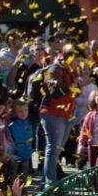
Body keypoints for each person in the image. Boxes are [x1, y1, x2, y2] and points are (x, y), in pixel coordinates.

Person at [38, 44, 78, 186]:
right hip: (52, 113)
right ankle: (50, 184)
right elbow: (53, 90)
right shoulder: (54, 69)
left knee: (57, 150)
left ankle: (49, 180)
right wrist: (74, 87)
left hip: (66, 115)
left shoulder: (69, 71)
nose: (78, 63)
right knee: (53, 149)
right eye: (77, 60)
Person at [3, 99, 33, 179]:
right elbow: (9, 138)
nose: (23, 113)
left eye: (26, 110)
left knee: (25, 173)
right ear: (15, 112)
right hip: (15, 153)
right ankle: (12, 188)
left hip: (26, 154)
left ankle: (23, 189)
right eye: (20, 111)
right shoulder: (12, 124)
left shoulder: (29, 123)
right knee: (13, 172)